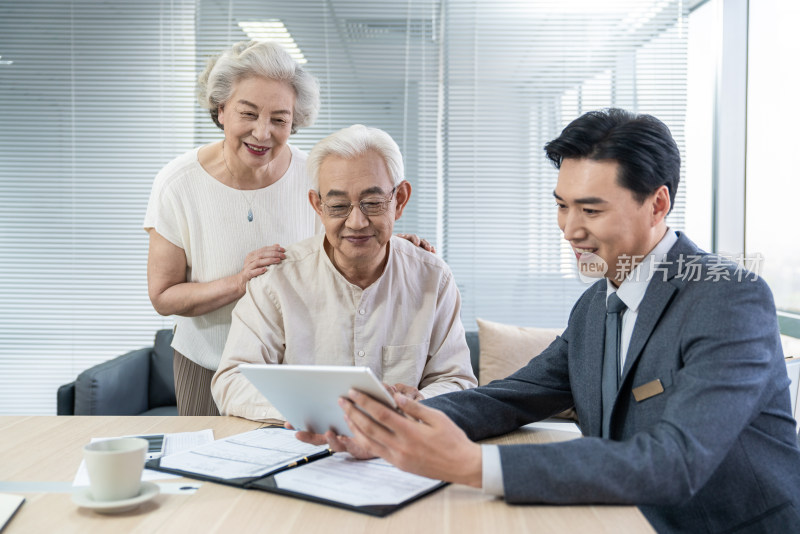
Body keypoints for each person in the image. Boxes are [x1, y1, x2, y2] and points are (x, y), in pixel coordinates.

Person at [326, 109, 800, 532]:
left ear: (657, 204)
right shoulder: (596, 305)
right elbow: (509, 398)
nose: (570, 230)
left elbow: (675, 460)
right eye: (561, 204)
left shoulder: (729, 297)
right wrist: (391, 427)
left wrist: (475, 464)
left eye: (591, 209)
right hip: (616, 517)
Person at [144, 41, 431, 416]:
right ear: (221, 109)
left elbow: (337, 244)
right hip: (208, 361)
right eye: (248, 114)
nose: (263, 133)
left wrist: (387, 244)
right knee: (209, 465)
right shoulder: (177, 183)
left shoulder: (315, 175)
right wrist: (240, 282)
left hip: (296, 364)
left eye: (280, 119)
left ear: (294, 123)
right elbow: (164, 296)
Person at [211, 124, 477, 422]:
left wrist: (421, 401)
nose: (357, 222)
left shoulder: (432, 278)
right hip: (303, 446)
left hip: (403, 446)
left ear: (399, 200)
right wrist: (318, 408)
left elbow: (457, 381)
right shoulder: (277, 281)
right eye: (338, 206)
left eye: (373, 203)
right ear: (318, 206)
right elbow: (232, 382)